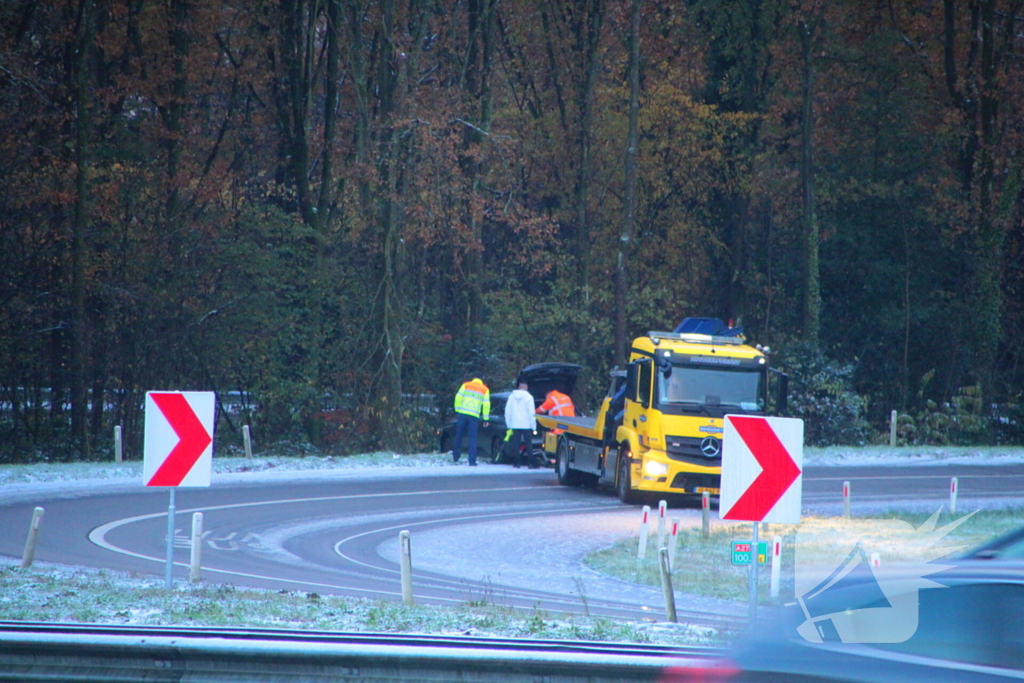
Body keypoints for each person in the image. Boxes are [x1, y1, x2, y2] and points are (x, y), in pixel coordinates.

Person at [452, 377, 490, 466]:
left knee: (459, 435)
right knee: (473, 438)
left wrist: (457, 409)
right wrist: (486, 418)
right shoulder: (485, 389)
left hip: (463, 413)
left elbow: (458, 397)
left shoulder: (466, 385)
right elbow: (486, 405)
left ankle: (456, 456)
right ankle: (472, 461)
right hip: (474, 416)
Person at [504, 382, 537, 469]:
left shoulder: (511, 397)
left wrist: (509, 425)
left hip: (515, 424)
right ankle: (531, 463)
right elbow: (531, 413)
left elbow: (507, 411)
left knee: (516, 444)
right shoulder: (529, 397)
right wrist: (534, 427)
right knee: (529, 444)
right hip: (527, 425)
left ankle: (516, 463)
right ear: (526, 388)